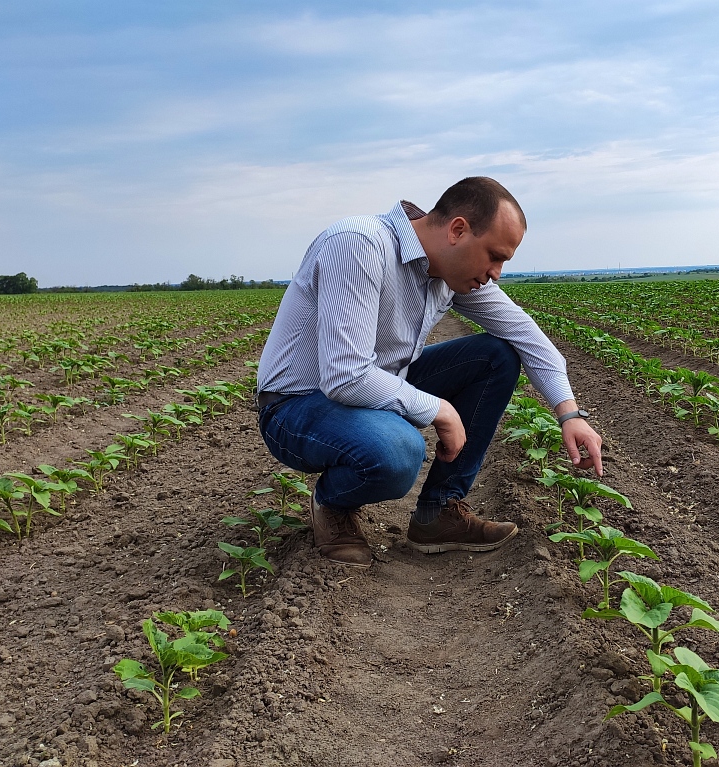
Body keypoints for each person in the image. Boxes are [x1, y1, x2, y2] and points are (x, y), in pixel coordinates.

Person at [255, 177, 603, 568]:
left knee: (497, 356)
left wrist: (569, 414)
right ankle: (332, 503)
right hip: (296, 406)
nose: (496, 272)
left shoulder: (447, 272)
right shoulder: (358, 244)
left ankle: (438, 513)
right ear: (458, 230)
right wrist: (440, 410)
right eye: (494, 256)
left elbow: (526, 335)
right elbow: (346, 375)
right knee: (399, 451)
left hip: (371, 389)